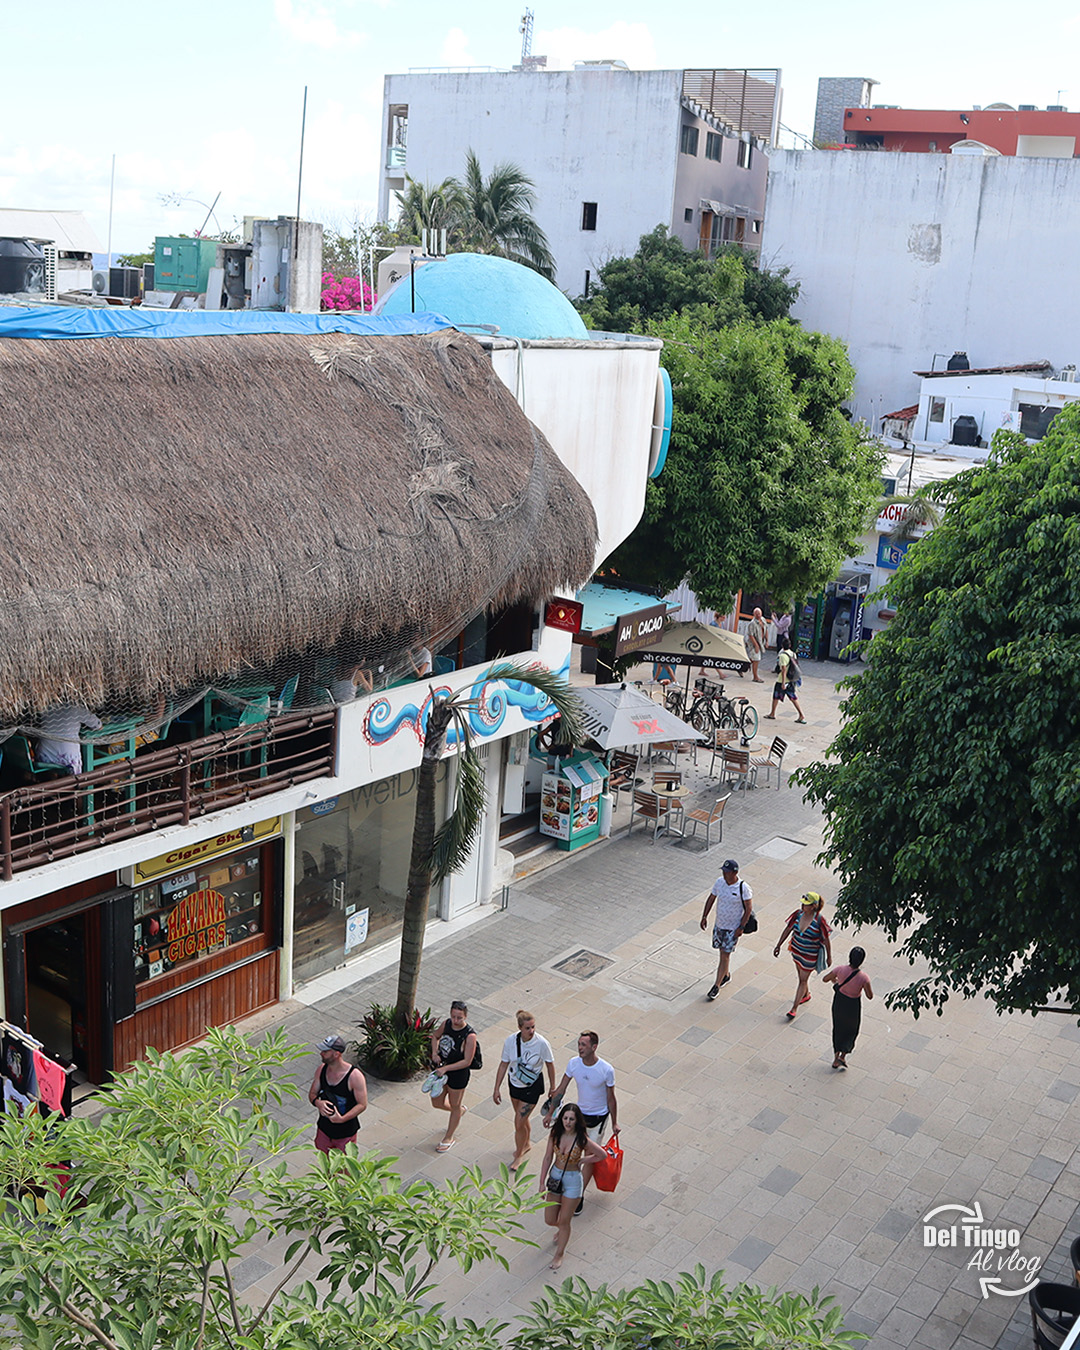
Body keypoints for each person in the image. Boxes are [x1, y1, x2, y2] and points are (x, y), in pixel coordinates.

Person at [542, 1031, 618, 1215]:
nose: (580, 1048)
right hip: (580, 1116)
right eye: (579, 1044)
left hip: (598, 1118)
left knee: (590, 1155)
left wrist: (614, 1123)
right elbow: (561, 1089)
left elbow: (611, 1098)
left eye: (584, 1044)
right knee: (575, 1151)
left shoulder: (606, 1070)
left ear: (594, 1047)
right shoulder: (574, 1064)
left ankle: (579, 1195)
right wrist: (550, 1113)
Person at [538, 1103, 607, 1270]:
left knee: (565, 1220)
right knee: (550, 1219)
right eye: (565, 1118)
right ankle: (563, 1230)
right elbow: (547, 1157)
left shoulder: (581, 1139)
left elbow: (602, 1154)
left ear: (577, 1121)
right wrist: (541, 1182)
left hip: (573, 1181)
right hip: (556, 1177)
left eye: (571, 1119)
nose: (568, 1122)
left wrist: (583, 1160)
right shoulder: (555, 1134)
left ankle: (559, 1253)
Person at [493, 1009, 556, 1167]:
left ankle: (519, 1154)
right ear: (520, 1027)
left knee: (518, 1123)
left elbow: (550, 1064)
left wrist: (553, 1087)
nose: (531, 1031)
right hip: (514, 1083)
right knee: (521, 1118)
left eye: (533, 1027)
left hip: (532, 1086)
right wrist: (496, 1088)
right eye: (527, 1028)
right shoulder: (510, 1041)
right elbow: (503, 1064)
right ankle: (526, 1143)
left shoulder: (542, 1043)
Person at [699, 858, 753, 1000]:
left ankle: (716, 985)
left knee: (725, 955)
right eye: (723, 871)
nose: (724, 874)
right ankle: (726, 975)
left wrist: (741, 927)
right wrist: (704, 916)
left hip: (732, 928)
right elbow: (711, 898)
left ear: (734, 873)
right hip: (720, 925)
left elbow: (748, 908)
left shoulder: (743, 888)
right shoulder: (719, 882)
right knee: (722, 953)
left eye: (727, 872)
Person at [773, 893, 832, 1020]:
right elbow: (788, 929)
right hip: (796, 951)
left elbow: (826, 939)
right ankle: (806, 994)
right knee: (801, 976)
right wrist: (778, 945)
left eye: (806, 904)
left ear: (813, 906)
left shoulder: (819, 920)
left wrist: (829, 956)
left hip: (809, 956)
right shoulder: (798, 914)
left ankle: (794, 1008)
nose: (803, 905)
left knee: (802, 980)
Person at [429, 1000, 477, 1153]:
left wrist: (446, 1068)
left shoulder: (469, 1036)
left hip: (458, 1074)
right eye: (453, 1016)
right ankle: (458, 1112)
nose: (455, 1020)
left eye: (459, 1018)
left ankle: (449, 1137)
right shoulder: (447, 1024)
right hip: (442, 1070)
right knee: (436, 1102)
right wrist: (434, 1053)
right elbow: (435, 1036)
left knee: (454, 1104)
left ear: (465, 1017)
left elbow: (467, 1061)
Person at [309, 1033, 367, 1153]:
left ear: (336, 1054)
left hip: (345, 1133)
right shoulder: (322, 1069)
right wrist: (318, 1103)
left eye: (325, 1051)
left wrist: (341, 1119)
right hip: (324, 1129)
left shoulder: (354, 1076)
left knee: (343, 1163)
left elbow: (362, 1104)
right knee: (323, 1159)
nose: (321, 1053)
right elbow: (312, 1094)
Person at [823, 946, 873, 1069]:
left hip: (839, 1002)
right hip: (853, 1005)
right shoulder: (864, 978)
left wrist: (836, 981)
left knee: (838, 1028)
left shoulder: (840, 969)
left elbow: (825, 979)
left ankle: (835, 1058)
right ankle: (843, 1056)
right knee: (851, 1030)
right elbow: (870, 996)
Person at [35, 703, 104, 775]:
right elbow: (97, 725)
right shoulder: (76, 708)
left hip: (44, 756)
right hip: (67, 759)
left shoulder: (44, 706)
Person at [764, 635, 807, 724]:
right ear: (790, 645)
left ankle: (772, 713)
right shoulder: (793, 654)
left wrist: (783, 682)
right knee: (793, 698)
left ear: (782, 646)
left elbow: (783, 670)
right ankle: (801, 714)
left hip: (782, 680)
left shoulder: (782, 656)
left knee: (776, 696)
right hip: (791, 679)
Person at [746, 608, 768, 683]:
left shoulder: (763, 620)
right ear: (754, 614)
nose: (758, 615)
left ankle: (743, 666)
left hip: (761, 642)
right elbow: (750, 635)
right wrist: (756, 645)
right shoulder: (752, 623)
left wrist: (767, 641)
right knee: (756, 659)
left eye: (759, 613)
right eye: (756, 614)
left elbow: (766, 630)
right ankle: (755, 677)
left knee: (753, 659)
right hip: (753, 643)